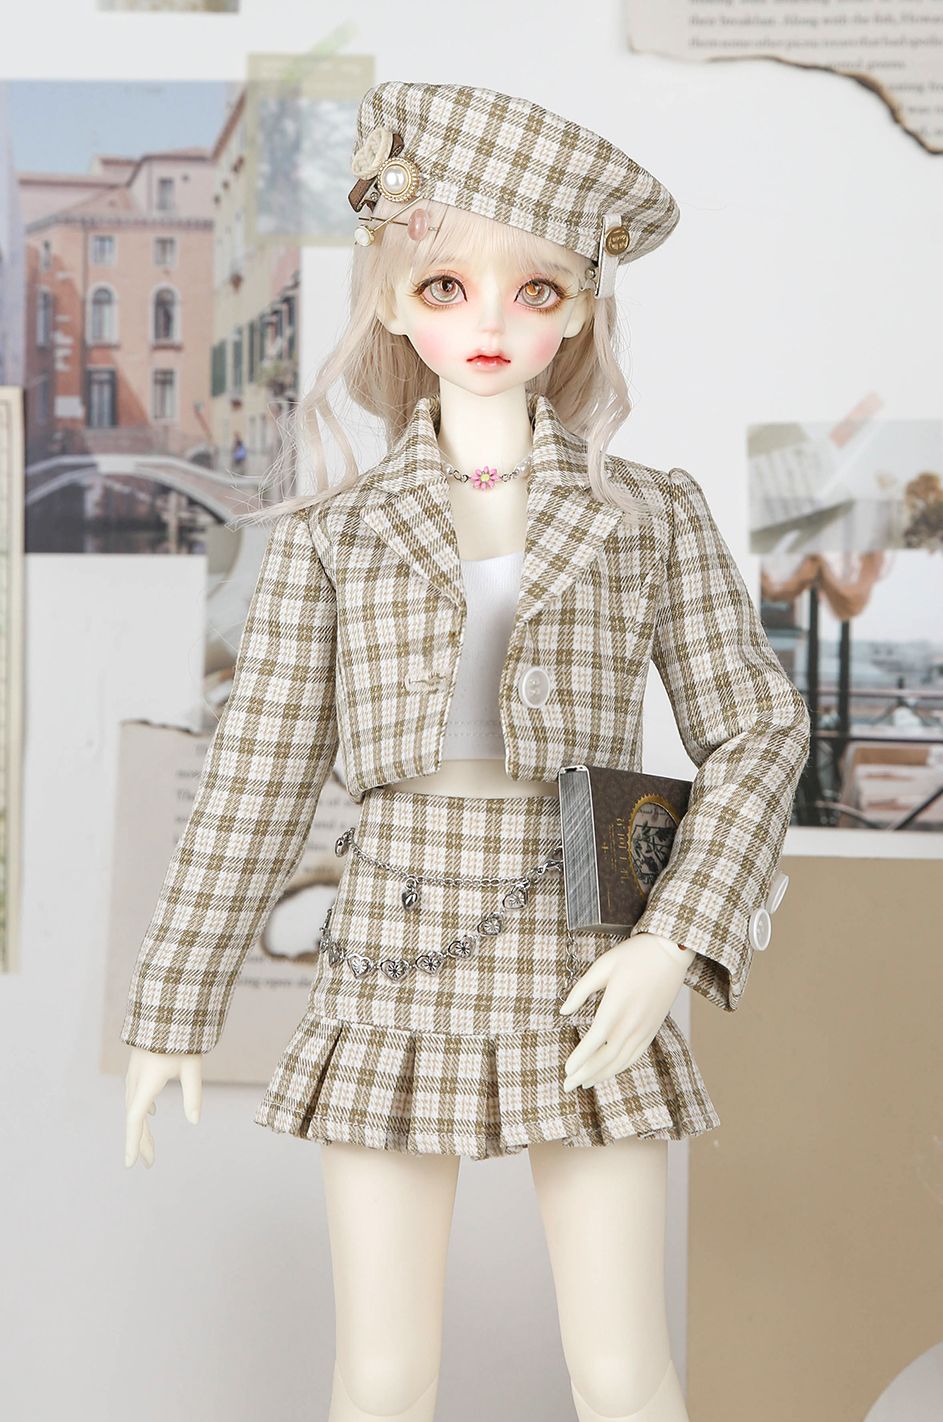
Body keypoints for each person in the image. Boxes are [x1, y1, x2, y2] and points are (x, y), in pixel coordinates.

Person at [121, 81, 811, 1421]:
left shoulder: (649, 515)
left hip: (588, 941)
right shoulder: (333, 533)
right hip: (395, 941)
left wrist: (678, 933)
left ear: (582, 309)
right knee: (383, 1373)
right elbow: (259, 774)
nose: (489, 324)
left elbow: (756, 726)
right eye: (446, 285)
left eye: (535, 290)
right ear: (391, 302)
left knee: (623, 1367)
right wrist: (172, 1005)